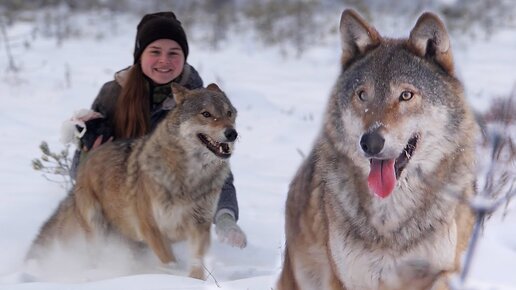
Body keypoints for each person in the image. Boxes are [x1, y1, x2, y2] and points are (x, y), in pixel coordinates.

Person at [70, 11, 247, 248]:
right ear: (140, 56)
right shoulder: (113, 94)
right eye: (155, 52)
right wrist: (90, 153)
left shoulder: (201, 103)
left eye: (174, 53)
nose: (164, 61)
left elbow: (216, 172)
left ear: (184, 57)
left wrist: (225, 219)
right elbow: (78, 172)